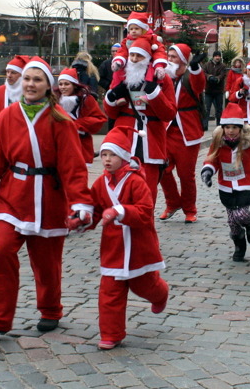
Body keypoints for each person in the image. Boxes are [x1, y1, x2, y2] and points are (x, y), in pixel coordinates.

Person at [0, 56, 94, 338]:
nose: (30, 84)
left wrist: (80, 203)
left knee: (46, 265)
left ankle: (51, 310)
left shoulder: (61, 120)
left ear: (48, 86)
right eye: (27, 79)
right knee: (2, 252)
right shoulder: (7, 116)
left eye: (37, 80)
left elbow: (73, 167)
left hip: (49, 199)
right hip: (13, 197)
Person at [85, 126, 169, 350]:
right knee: (109, 291)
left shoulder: (135, 181)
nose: (107, 160)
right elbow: (94, 211)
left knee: (144, 286)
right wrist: (81, 220)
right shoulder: (99, 183)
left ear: (123, 156)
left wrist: (119, 211)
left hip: (139, 246)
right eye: (104, 155)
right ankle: (111, 334)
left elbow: (144, 211)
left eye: (112, 155)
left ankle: (160, 294)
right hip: (113, 248)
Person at [104, 38, 177, 203]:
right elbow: (111, 112)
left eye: (139, 56)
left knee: (147, 194)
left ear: (149, 59)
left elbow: (169, 113)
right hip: (124, 139)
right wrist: (113, 95)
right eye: (132, 56)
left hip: (151, 141)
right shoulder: (121, 76)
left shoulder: (162, 79)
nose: (135, 60)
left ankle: (145, 226)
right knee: (121, 192)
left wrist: (154, 93)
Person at [200, 104, 250, 262]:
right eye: (227, 127)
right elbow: (211, 160)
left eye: (235, 127)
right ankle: (239, 245)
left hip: (244, 185)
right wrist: (207, 171)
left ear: (241, 128)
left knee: (240, 214)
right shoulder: (218, 143)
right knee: (232, 222)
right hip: (226, 187)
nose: (231, 131)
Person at [159, 44, 206, 224]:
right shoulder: (164, 77)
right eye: (168, 56)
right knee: (162, 169)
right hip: (167, 130)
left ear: (183, 60)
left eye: (174, 57)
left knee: (186, 175)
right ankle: (172, 203)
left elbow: (199, 84)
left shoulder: (189, 77)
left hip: (187, 131)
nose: (169, 59)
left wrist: (195, 67)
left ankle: (189, 209)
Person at [57, 67, 107, 165]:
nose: (63, 87)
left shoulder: (86, 100)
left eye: (67, 84)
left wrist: (75, 125)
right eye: (60, 84)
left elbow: (99, 119)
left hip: (80, 146)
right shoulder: (54, 101)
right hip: (59, 147)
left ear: (74, 85)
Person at [110, 12, 167, 88]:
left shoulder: (152, 39)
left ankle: (152, 89)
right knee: (118, 74)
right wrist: (119, 61)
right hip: (130, 66)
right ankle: (118, 93)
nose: (133, 31)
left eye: (136, 28)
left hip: (146, 65)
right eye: (131, 29)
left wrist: (159, 66)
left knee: (152, 74)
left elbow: (159, 52)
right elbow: (122, 52)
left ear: (143, 29)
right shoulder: (126, 41)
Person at [0, 55, 29, 130]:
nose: (9, 75)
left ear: (22, 75)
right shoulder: (1, 90)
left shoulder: (28, 92)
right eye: (7, 72)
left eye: (13, 73)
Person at [202, 50, 228, 130]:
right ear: (213, 57)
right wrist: (209, 77)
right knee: (206, 109)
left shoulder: (223, 66)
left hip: (218, 91)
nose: (217, 57)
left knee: (219, 110)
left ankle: (219, 126)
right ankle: (205, 125)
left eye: (218, 56)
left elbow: (223, 75)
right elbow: (203, 73)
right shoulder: (207, 65)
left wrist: (217, 79)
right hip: (208, 91)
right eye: (216, 56)